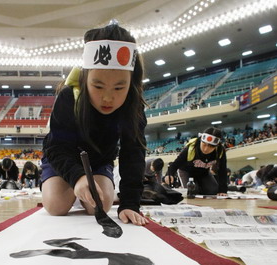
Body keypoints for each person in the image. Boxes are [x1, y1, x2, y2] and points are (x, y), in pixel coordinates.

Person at [40, 21, 148, 226]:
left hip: (98, 161)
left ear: (131, 83)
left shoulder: (133, 106)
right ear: (85, 78)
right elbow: (56, 147)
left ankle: (84, 190)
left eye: (119, 88)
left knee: (100, 205)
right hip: (63, 157)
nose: (108, 98)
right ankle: (61, 184)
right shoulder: (69, 97)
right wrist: (77, 177)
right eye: (98, 86)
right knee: (56, 206)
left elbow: (133, 153)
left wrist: (130, 204)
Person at [164, 127, 228, 196]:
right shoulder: (191, 147)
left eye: (211, 147)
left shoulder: (220, 151)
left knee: (213, 191)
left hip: (204, 173)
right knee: (191, 192)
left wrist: (223, 190)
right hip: (186, 172)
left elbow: (222, 170)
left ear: (216, 146)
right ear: (201, 140)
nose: (206, 149)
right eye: (204, 145)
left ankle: (201, 187)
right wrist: (169, 174)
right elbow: (176, 164)